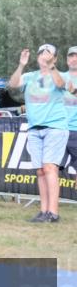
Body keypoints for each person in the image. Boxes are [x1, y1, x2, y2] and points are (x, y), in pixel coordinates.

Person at [10, 45, 67, 223]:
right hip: (34, 128)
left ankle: (53, 213)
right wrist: (21, 65)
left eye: (48, 53)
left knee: (50, 168)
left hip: (55, 128)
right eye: (41, 53)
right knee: (41, 171)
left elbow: (61, 84)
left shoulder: (60, 74)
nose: (44, 55)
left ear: (55, 59)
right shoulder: (30, 76)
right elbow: (12, 85)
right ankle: (43, 211)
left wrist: (51, 66)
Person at [65, 46, 77, 186]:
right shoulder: (59, 78)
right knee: (49, 167)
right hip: (56, 129)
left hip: (75, 130)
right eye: (71, 56)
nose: (74, 59)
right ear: (67, 60)